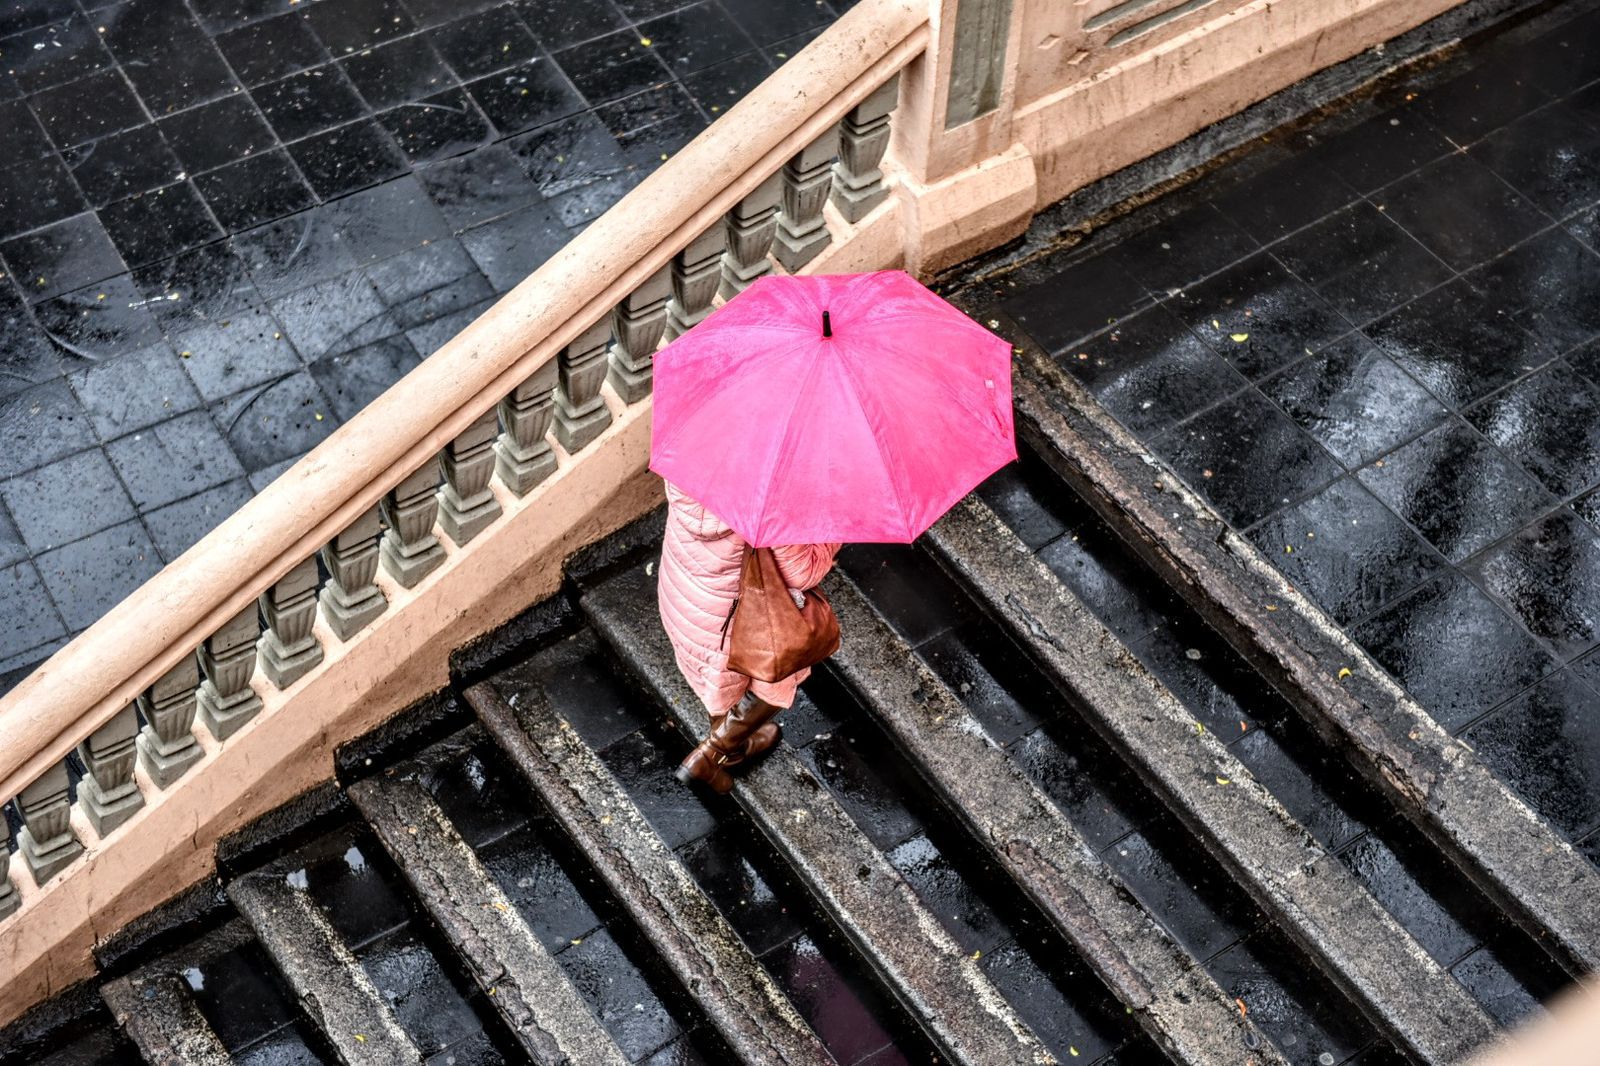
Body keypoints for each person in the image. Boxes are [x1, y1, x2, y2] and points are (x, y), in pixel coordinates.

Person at [657, 483, 839, 792]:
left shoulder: (694, 463)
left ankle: (733, 751)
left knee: (719, 683)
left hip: (687, 589)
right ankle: (714, 753)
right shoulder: (772, 499)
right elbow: (801, 572)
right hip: (734, 617)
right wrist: (833, 534)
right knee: (768, 677)